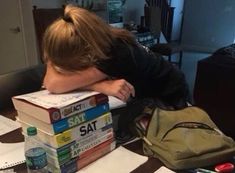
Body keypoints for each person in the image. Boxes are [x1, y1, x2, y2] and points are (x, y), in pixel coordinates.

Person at [42, 5, 189, 139]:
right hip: (148, 90)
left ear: (85, 53)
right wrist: (100, 86)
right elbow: (51, 81)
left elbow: (53, 84)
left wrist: (94, 84)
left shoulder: (116, 53)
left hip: (169, 93)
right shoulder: (98, 41)